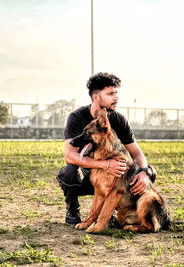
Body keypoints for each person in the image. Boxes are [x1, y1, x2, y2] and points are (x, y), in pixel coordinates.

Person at [57, 72, 155, 225]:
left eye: (116, 93)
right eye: (110, 93)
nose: (116, 97)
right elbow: (70, 156)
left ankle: (117, 210)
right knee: (69, 172)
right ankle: (72, 209)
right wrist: (105, 165)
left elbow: (136, 153)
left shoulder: (118, 119)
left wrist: (145, 172)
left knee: (148, 172)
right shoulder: (76, 117)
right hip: (88, 176)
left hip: (114, 176)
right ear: (96, 97)